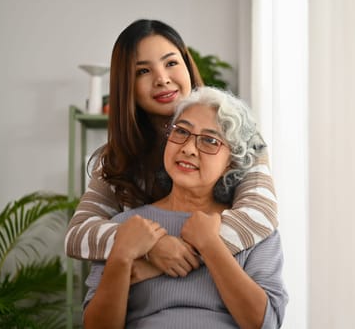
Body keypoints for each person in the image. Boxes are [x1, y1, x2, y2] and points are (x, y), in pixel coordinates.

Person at [65, 19, 278, 277]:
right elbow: (77, 235)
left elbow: (259, 215)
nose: (162, 79)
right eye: (142, 71)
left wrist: (161, 261)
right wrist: (151, 246)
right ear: (126, 86)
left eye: (171, 63)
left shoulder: (242, 138)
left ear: (187, 66)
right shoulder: (115, 157)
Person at [82, 86, 288, 328]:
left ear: (231, 163)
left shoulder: (255, 230)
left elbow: (266, 323)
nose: (188, 149)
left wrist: (210, 245)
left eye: (210, 141)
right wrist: (121, 256)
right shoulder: (126, 228)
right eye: (181, 132)